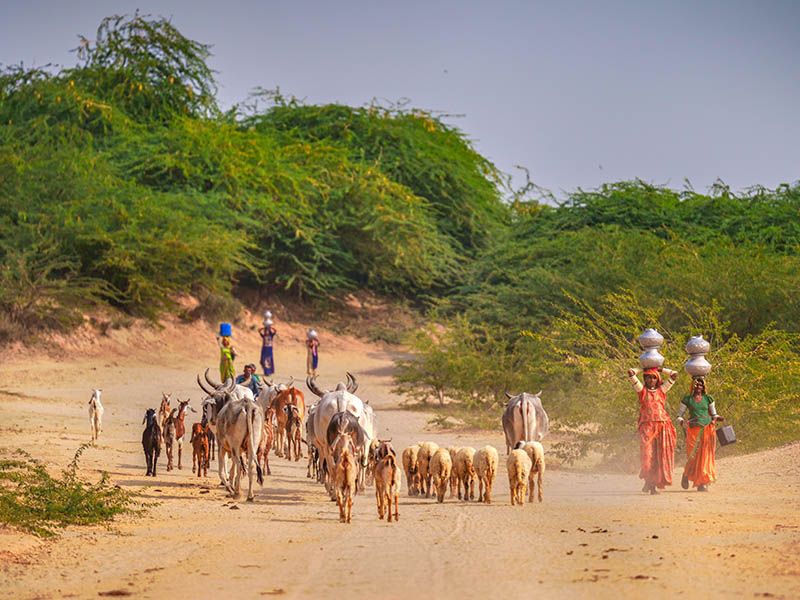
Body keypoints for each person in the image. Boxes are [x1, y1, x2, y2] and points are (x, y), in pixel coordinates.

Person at [627, 366, 679, 495]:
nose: (651, 380)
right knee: (647, 456)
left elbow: (674, 375)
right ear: (645, 378)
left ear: (658, 379)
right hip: (647, 428)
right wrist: (643, 368)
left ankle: (652, 485)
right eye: (648, 377)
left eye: (654, 377)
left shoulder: (662, 390)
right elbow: (630, 372)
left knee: (658, 457)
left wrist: (660, 369)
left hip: (662, 426)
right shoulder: (642, 391)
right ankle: (648, 481)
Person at [677, 377, 723, 492]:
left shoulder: (708, 398)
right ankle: (686, 474)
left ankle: (702, 483)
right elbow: (679, 416)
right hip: (693, 430)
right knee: (693, 456)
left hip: (707, 430)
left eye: (701, 385)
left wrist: (716, 419)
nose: (698, 387)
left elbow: (714, 414)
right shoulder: (687, 399)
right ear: (692, 386)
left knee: (705, 456)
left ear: (704, 387)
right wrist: (682, 422)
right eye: (696, 385)